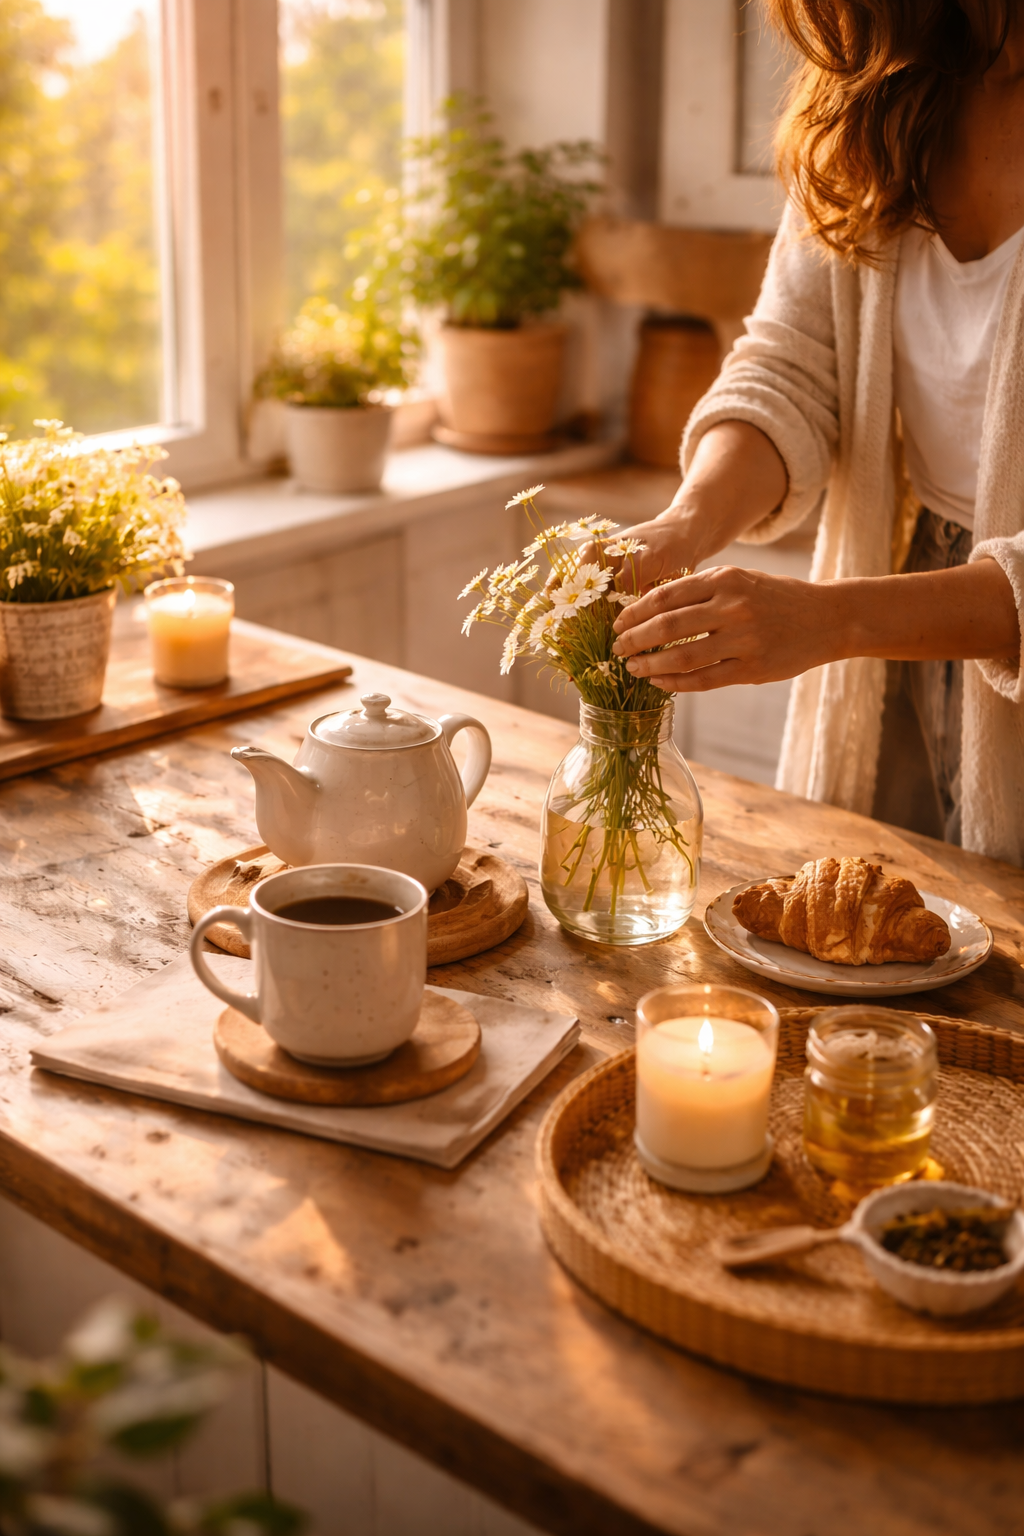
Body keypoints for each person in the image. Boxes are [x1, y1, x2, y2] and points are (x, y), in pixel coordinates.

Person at [609, 0, 1024, 865]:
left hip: (942, 615)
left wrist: (833, 621)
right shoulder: (872, 98)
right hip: (907, 619)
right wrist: (683, 527)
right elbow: (791, 365)